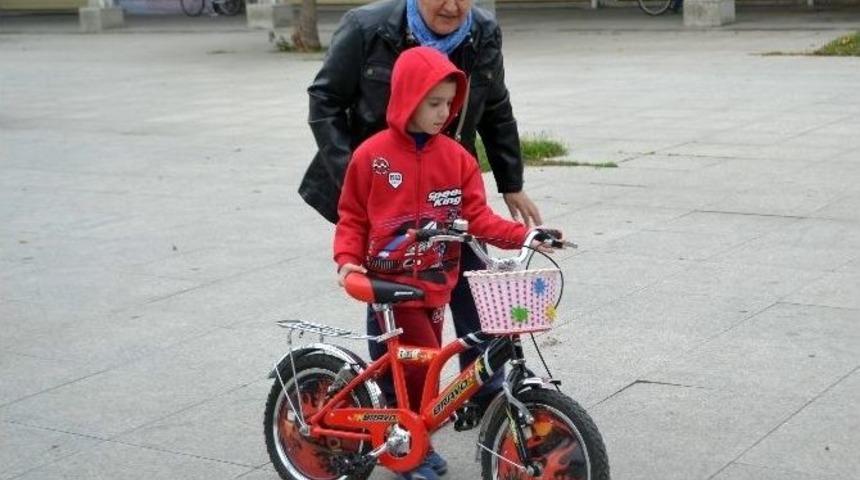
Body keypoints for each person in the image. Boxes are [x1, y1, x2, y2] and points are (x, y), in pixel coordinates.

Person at [299, 0, 542, 460]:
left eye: (448, 104)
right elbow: (326, 105)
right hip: (386, 221)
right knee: (403, 357)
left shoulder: (481, 38)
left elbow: (496, 108)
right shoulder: (366, 28)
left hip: (441, 206)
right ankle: (400, 434)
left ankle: (479, 392)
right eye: (434, 103)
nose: (451, 6)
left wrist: (515, 201)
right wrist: (358, 175)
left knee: (472, 302)